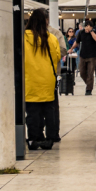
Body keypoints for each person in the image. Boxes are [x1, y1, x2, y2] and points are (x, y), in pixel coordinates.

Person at [24, 8, 61, 150]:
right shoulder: (51, 38)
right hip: (47, 80)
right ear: (45, 21)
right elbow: (57, 57)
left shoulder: (23, 38)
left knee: (32, 113)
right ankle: (50, 138)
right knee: (49, 111)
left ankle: (34, 138)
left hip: (30, 81)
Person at [47, 18, 67, 143]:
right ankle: (49, 133)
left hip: (52, 72)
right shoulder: (28, 34)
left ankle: (53, 133)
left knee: (52, 104)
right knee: (51, 104)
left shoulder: (55, 33)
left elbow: (63, 50)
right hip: (44, 73)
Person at [69, 18, 96, 94]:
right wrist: (71, 49)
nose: (87, 28)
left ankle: (88, 90)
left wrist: (91, 32)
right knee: (82, 72)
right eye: (86, 27)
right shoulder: (81, 33)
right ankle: (89, 84)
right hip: (83, 55)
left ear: (91, 27)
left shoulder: (95, 32)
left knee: (90, 73)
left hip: (92, 56)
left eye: (89, 27)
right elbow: (77, 42)